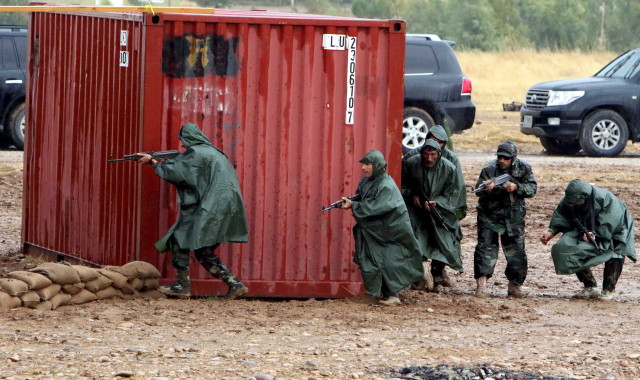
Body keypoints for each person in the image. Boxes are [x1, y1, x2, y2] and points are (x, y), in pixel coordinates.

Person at [137, 122, 249, 299]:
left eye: (183, 141)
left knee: (179, 238)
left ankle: (183, 286)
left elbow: (179, 173)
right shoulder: (215, 152)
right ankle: (235, 285)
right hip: (226, 206)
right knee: (203, 250)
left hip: (210, 206)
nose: (183, 145)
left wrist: (153, 162)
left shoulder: (196, 153)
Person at [340, 150, 424, 306]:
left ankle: (393, 294)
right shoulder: (367, 181)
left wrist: (354, 205)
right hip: (376, 228)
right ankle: (386, 293)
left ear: (376, 165)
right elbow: (362, 196)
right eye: (363, 164)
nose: (363, 167)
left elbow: (376, 207)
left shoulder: (386, 185)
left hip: (391, 229)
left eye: (367, 164)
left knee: (389, 260)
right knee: (373, 259)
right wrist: (349, 201)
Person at [540, 179, 636, 300]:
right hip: (585, 229)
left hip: (616, 231)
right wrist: (551, 231)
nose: (574, 204)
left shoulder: (607, 200)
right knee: (563, 248)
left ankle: (608, 290)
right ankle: (590, 286)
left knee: (616, 252)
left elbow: (612, 222)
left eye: (577, 202)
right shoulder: (570, 200)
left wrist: (595, 233)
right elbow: (562, 215)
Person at [473, 140, 537, 298]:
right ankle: (481, 285)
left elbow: (532, 188)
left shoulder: (524, 168)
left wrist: (517, 187)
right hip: (489, 217)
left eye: (506, 158)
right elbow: (478, 191)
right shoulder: (489, 169)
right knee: (485, 250)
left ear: (513, 158)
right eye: (500, 157)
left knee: (517, 253)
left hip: (513, 218)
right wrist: (489, 188)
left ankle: (514, 286)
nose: (502, 160)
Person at [402, 139, 465, 292]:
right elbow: (402, 185)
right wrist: (413, 195)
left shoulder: (449, 168)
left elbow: (454, 193)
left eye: (433, 154)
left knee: (446, 239)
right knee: (414, 239)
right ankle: (419, 277)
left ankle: (437, 274)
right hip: (416, 211)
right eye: (425, 154)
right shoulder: (411, 164)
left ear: (438, 154)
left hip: (439, 211)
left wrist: (437, 203)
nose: (429, 158)